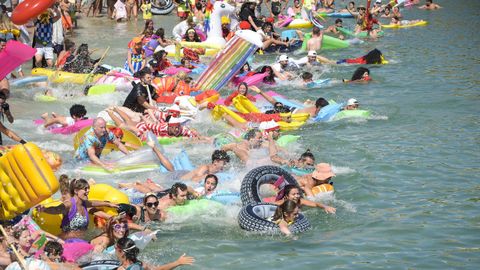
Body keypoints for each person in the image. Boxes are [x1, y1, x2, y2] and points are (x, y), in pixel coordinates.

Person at [36, 178, 118, 240]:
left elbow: (93, 202)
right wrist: (45, 209)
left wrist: (108, 204)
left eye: (88, 188)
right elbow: (57, 209)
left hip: (82, 239)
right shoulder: (69, 204)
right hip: (67, 241)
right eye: (85, 189)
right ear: (76, 191)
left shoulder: (84, 203)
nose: (88, 191)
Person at [115, 237, 194, 270]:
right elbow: (159, 269)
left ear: (121, 251)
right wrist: (177, 262)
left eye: (115, 248)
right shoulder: (140, 264)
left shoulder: (121, 269)